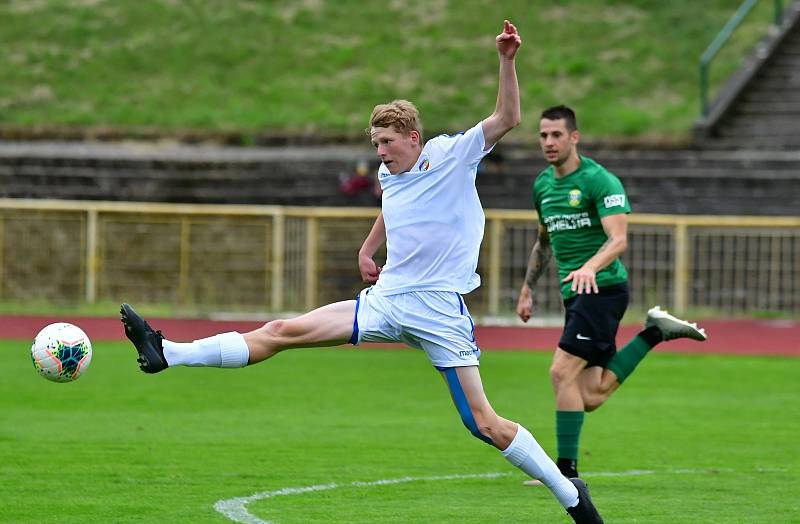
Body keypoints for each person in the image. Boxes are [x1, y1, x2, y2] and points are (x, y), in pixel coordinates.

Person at [121, 22, 603, 524]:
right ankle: (167, 353)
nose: (379, 153)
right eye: (375, 144)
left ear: (414, 139)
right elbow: (392, 208)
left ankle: (570, 496)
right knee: (283, 330)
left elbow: (509, 116)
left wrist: (506, 58)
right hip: (388, 300)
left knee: (484, 424)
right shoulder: (386, 174)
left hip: (438, 308)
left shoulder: (452, 155)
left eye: (388, 143)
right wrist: (370, 247)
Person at [515, 105, 707, 480]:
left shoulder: (600, 180)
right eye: (543, 135)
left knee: (560, 373)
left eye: (557, 135)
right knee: (591, 395)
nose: (549, 142)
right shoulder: (542, 185)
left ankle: (565, 475)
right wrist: (527, 289)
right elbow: (544, 242)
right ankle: (655, 332)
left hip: (603, 290)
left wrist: (589, 266)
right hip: (576, 295)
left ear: (574, 137)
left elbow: (618, 240)